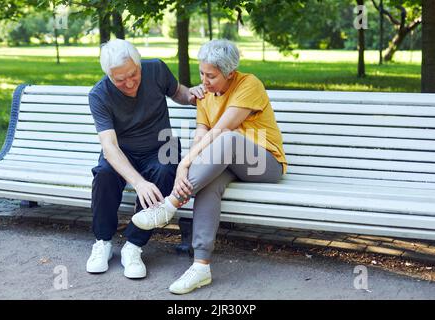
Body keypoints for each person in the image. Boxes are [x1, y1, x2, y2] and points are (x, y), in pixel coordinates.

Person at [132, 39, 287, 294]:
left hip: (264, 163)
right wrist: (190, 164)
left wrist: (183, 163)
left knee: (227, 138)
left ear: (230, 73)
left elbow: (221, 130)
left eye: (211, 76)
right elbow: (201, 136)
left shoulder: (249, 84)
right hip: (229, 162)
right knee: (208, 185)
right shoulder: (205, 95)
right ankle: (201, 266)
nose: (204, 80)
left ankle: (169, 205)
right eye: (202, 73)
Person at [86, 39, 203, 279]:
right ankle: (103, 242)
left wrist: (193, 94)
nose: (129, 83)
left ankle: (133, 246)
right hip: (123, 150)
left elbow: (178, 92)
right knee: (105, 174)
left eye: (133, 74)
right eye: (120, 80)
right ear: (108, 74)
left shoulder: (156, 69)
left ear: (139, 65)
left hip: (162, 143)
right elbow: (109, 146)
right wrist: (139, 183)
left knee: (165, 171)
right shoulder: (99, 94)